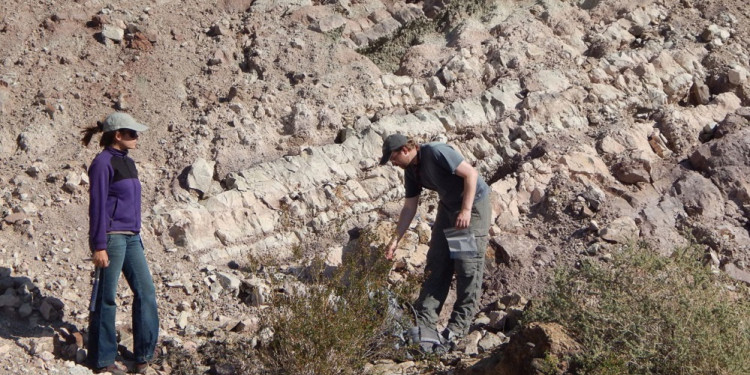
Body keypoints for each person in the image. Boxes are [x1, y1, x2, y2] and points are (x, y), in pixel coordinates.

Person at [380, 133, 491, 348]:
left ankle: (458, 328)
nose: (392, 163)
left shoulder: (435, 152)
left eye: (392, 157)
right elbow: (409, 207)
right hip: (449, 208)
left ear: (404, 149)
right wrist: (395, 240)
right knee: (438, 262)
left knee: (466, 265)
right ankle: (424, 322)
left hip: (470, 206)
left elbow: (471, 174)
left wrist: (466, 211)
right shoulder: (412, 170)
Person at [81, 112, 159, 375]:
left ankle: (144, 355)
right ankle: (102, 360)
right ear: (118, 135)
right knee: (107, 298)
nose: (137, 137)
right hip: (112, 238)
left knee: (146, 292)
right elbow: (97, 206)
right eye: (132, 133)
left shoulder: (128, 162)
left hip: (132, 237)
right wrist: (99, 245)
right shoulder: (103, 163)